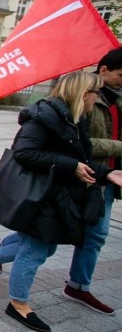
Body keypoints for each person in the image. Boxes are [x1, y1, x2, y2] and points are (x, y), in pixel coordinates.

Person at [0, 71, 122, 332]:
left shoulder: (74, 119)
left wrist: (106, 172)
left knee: (43, 246)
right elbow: (25, 153)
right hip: (40, 195)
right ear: (84, 94)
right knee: (35, 250)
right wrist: (71, 165)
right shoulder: (44, 116)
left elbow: (78, 156)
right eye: (96, 94)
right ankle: (17, 303)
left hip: (55, 194)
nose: (98, 100)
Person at [64, 48, 122, 314]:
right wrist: (118, 147)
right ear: (103, 71)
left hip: (107, 179)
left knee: (96, 234)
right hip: (82, 177)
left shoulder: (117, 100)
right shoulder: (83, 97)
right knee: (45, 234)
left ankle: (79, 285)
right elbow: (80, 143)